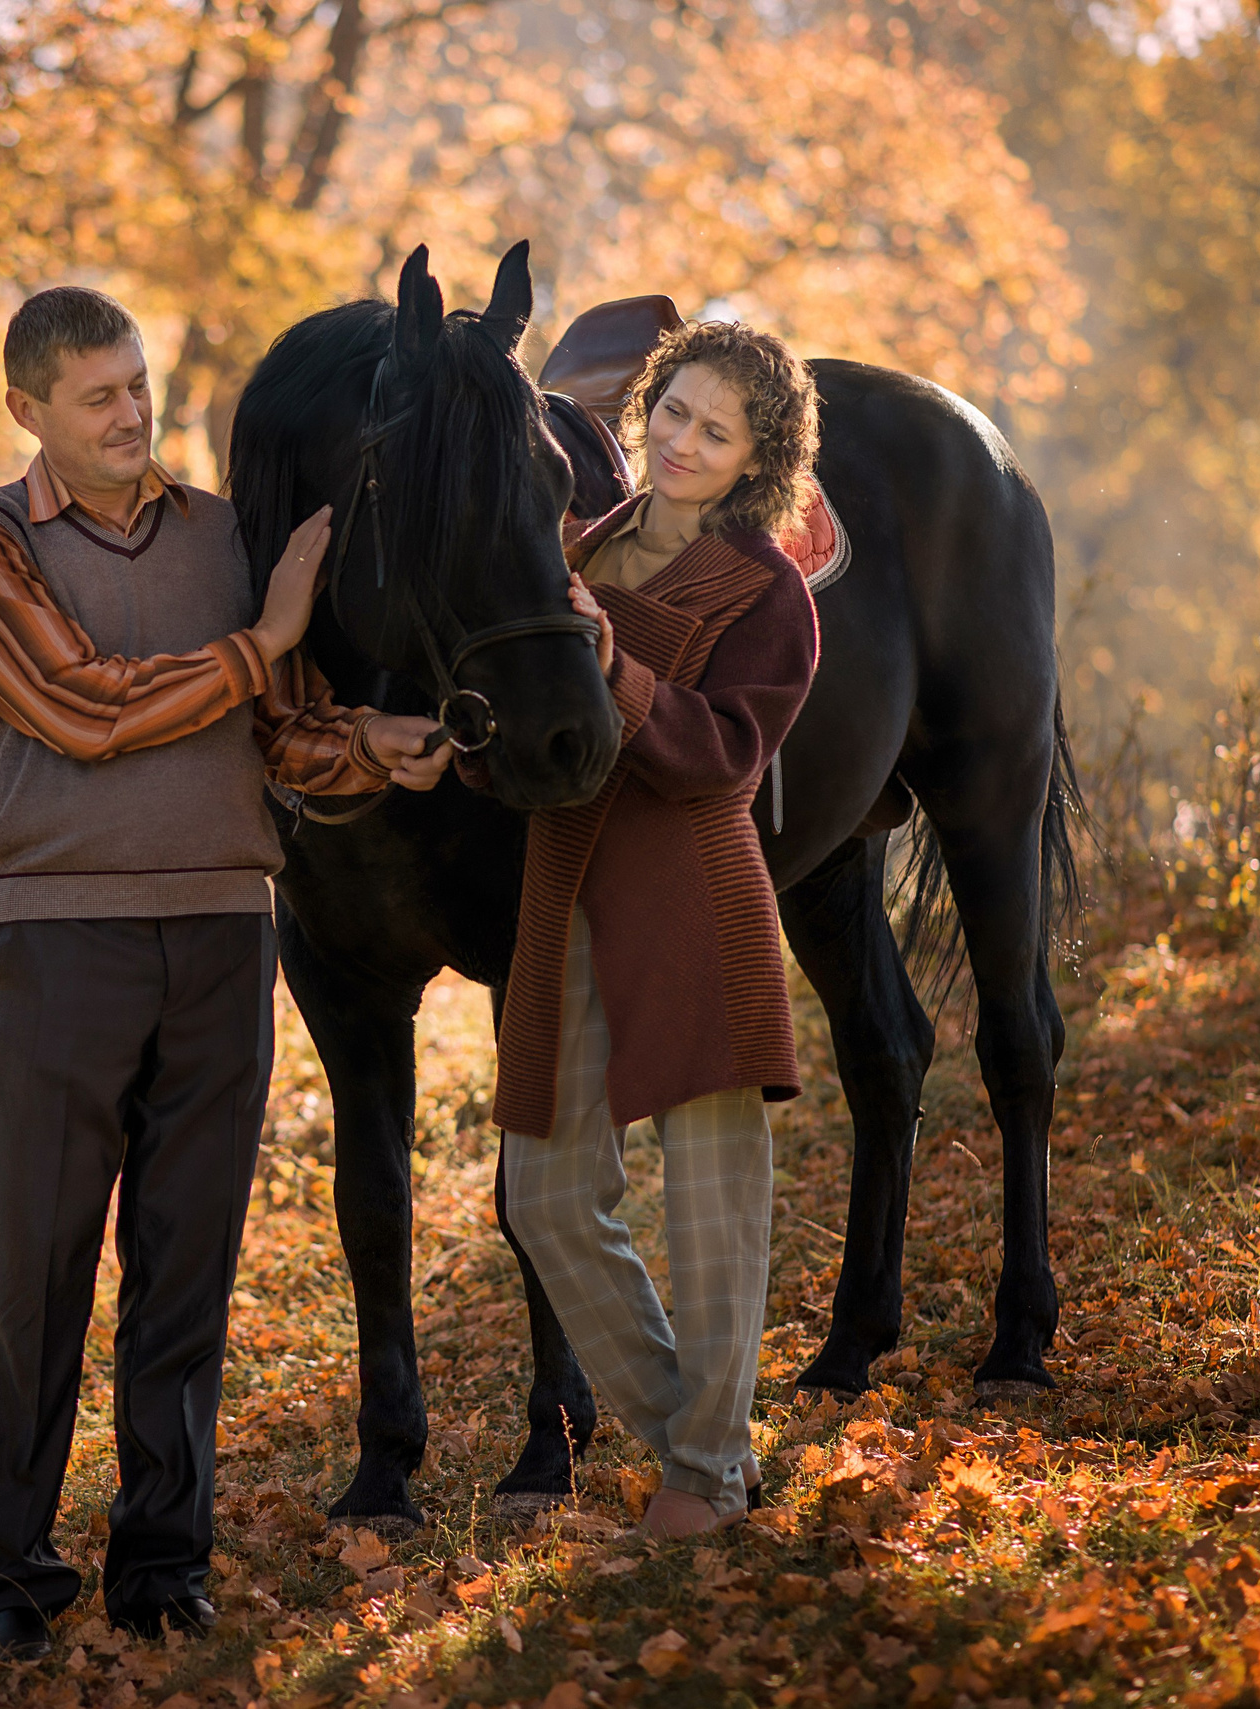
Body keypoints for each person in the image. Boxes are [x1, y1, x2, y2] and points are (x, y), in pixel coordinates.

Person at [0, 286, 454, 1660]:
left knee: (187, 1267)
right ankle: (13, 1572)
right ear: (27, 409)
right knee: (38, 1265)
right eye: (96, 395)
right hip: (60, 942)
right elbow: (84, 708)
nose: (128, 415)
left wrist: (374, 747)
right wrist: (264, 643)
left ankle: (165, 1562)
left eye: (139, 384)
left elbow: (276, 738)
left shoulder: (225, 534)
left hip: (225, 934)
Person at [495, 318, 822, 1539]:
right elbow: (534, 734)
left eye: (717, 430)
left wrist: (610, 663)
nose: (683, 442)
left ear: (756, 458)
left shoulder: (768, 589)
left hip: (695, 894)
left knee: (714, 1205)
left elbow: (725, 755)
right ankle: (713, 1445)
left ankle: (699, 1481)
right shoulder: (576, 546)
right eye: (674, 411)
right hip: (564, 887)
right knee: (544, 1191)